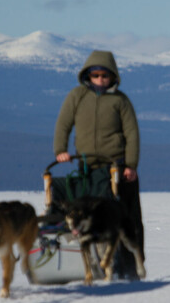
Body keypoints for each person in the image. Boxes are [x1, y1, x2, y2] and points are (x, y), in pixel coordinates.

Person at [53, 50, 143, 279]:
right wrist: (60, 150)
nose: (100, 80)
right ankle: (83, 264)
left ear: (113, 77)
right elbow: (63, 124)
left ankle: (131, 267)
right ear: (88, 76)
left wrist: (131, 165)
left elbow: (132, 133)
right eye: (96, 75)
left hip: (118, 168)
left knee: (128, 218)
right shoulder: (77, 96)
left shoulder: (120, 101)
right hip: (86, 168)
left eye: (105, 75)